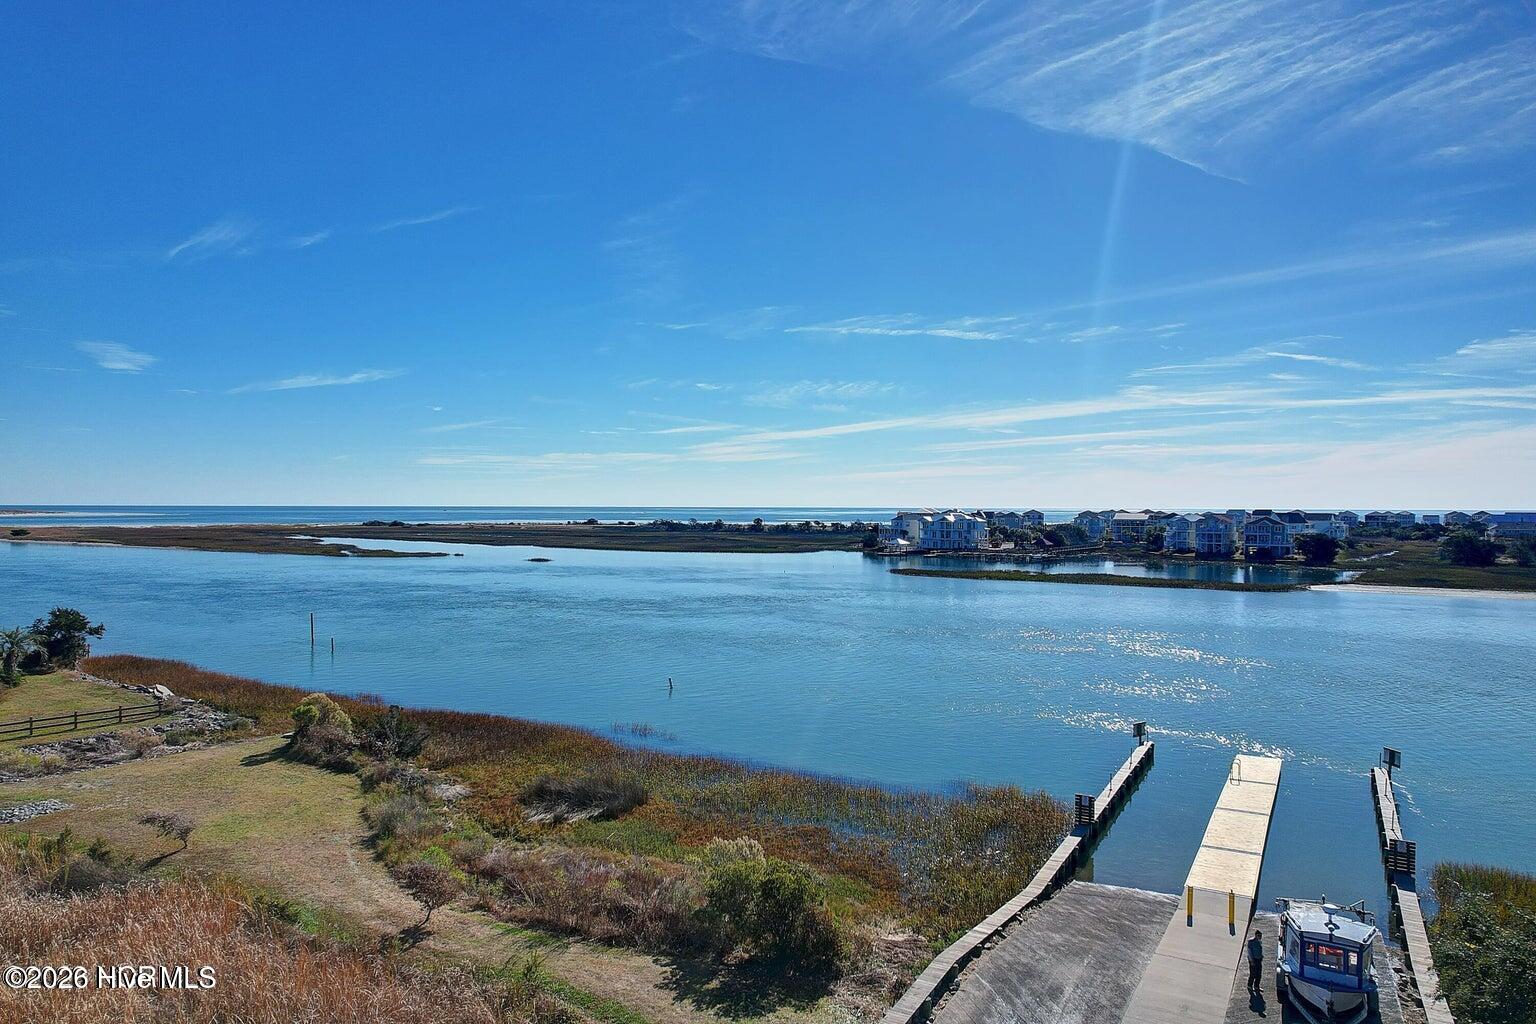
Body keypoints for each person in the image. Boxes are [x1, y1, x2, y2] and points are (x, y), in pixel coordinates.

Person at [1246, 928, 1265, 994]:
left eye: (1261, 936)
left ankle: (1256, 986)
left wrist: (1261, 956)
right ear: (1256, 935)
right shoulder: (1251, 941)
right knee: (1253, 974)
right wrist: (1251, 960)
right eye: (1259, 935)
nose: (1260, 937)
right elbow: (1249, 952)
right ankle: (1249, 985)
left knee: (1259, 974)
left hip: (1259, 959)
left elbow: (1259, 949)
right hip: (1253, 960)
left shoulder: (1259, 941)